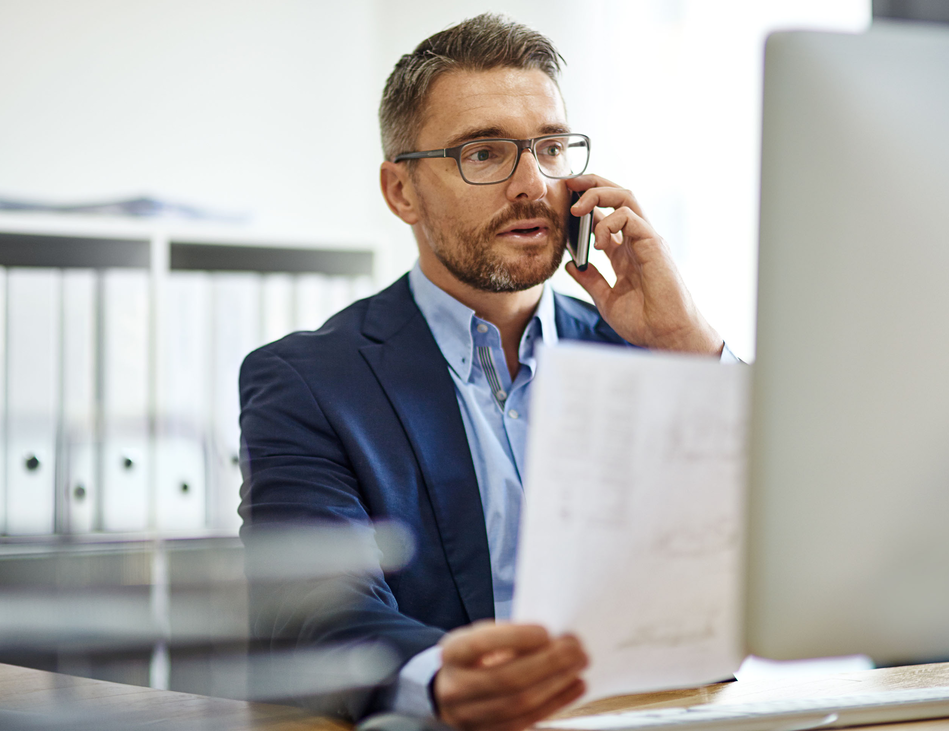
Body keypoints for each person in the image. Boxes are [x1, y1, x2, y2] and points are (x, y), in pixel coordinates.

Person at [239, 13, 737, 731]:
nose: (532, 184)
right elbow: (313, 609)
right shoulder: (307, 381)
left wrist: (688, 342)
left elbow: (790, 541)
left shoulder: (654, 355)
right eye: (483, 153)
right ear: (401, 191)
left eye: (551, 147)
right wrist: (443, 678)